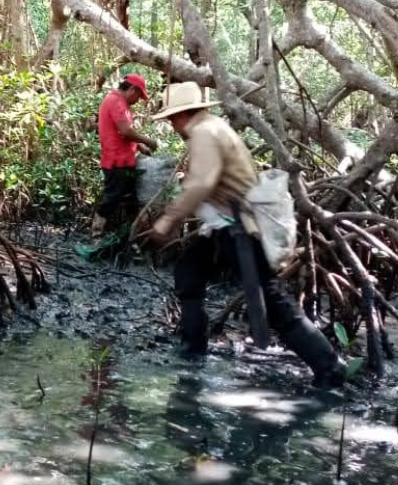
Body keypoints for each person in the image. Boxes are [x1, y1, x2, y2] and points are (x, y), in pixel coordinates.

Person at [147, 83, 345, 388]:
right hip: (221, 225)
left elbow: (202, 183)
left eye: (172, 119)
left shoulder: (204, 133)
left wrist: (168, 220)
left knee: (273, 302)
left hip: (239, 228)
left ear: (183, 114)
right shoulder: (213, 127)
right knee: (189, 273)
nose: (172, 126)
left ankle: (329, 368)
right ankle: (192, 354)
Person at [91, 73, 159, 237]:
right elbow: (125, 131)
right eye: (138, 96)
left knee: (130, 198)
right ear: (132, 89)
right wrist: (148, 141)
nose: (137, 100)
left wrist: (140, 148)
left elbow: (123, 135)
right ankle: (97, 231)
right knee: (112, 197)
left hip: (125, 161)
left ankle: (130, 233)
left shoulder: (120, 103)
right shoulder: (115, 101)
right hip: (116, 162)